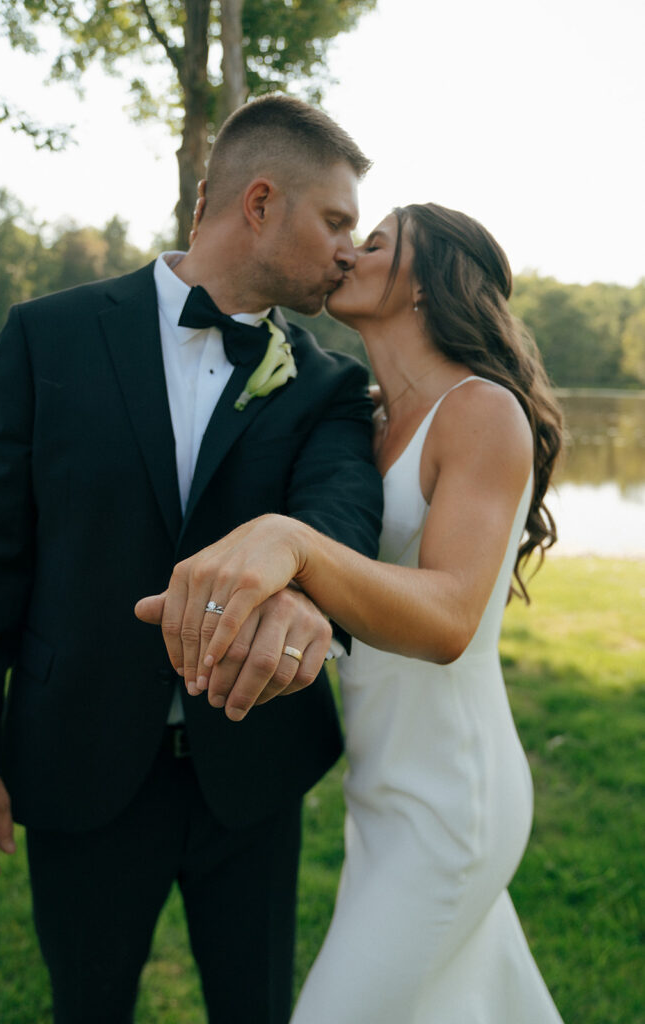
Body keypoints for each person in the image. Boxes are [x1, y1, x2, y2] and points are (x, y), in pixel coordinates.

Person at [0, 95, 384, 1024]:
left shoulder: (330, 383)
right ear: (261, 202)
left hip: (254, 773)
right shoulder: (48, 335)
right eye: (337, 220)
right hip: (78, 760)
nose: (350, 250)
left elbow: (342, 508)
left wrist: (313, 594)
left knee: (254, 1008)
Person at [137, 203, 566, 1022]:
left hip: (449, 795)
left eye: (372, 244)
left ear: (424, 283)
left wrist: (291, 543)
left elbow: (447, 621)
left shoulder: (479, 411)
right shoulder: (366, 418)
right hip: (379, 785)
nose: (346, 254)